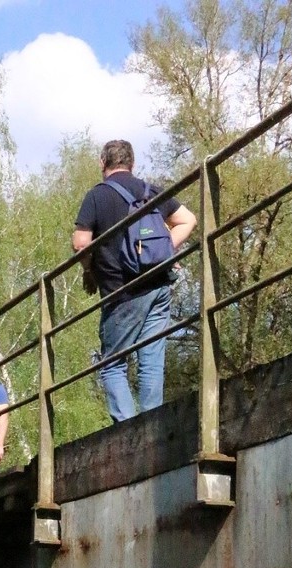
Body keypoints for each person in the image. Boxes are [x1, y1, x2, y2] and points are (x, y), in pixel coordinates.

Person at [72, 139, 197, 423]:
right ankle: (152, 425)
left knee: (113, 363)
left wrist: (89, 271)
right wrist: (164, 250)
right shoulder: (148, 190)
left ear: (102, 163)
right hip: (158, 286)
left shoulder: (97, 196)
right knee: (151, 359)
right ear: (132, 163)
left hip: (122, 292)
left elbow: (81, 244)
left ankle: (127, 429)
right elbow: (188, 219)